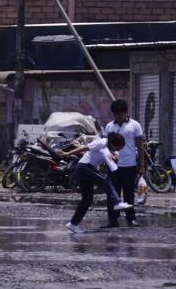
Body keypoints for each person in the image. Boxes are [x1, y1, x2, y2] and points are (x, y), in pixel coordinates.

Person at [60, 132, 133, 234]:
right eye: (117, 148)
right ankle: (117, 202)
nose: (117, 150)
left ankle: (73, 224)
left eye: (119, 149)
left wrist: (113, 157)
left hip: (86, 170)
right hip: (84, 167)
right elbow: (84, 148)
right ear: (111, 143)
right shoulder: (102, 143)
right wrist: (68, 153)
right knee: (105, 180)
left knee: (87, 199)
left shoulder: (112, 149)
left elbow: (116, 160)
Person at [104, 99, 144, 228]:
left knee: (128, 194)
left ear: (126, 112)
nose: (118, 116)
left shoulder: (135, 125)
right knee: (112, 194)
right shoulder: (109, 126)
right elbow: (105, 146)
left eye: (120, 114)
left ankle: (131, 218)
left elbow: (140, 146)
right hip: (113, 166)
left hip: (129, 165)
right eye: (115, 114)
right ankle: (112, 220)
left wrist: (141, 164)